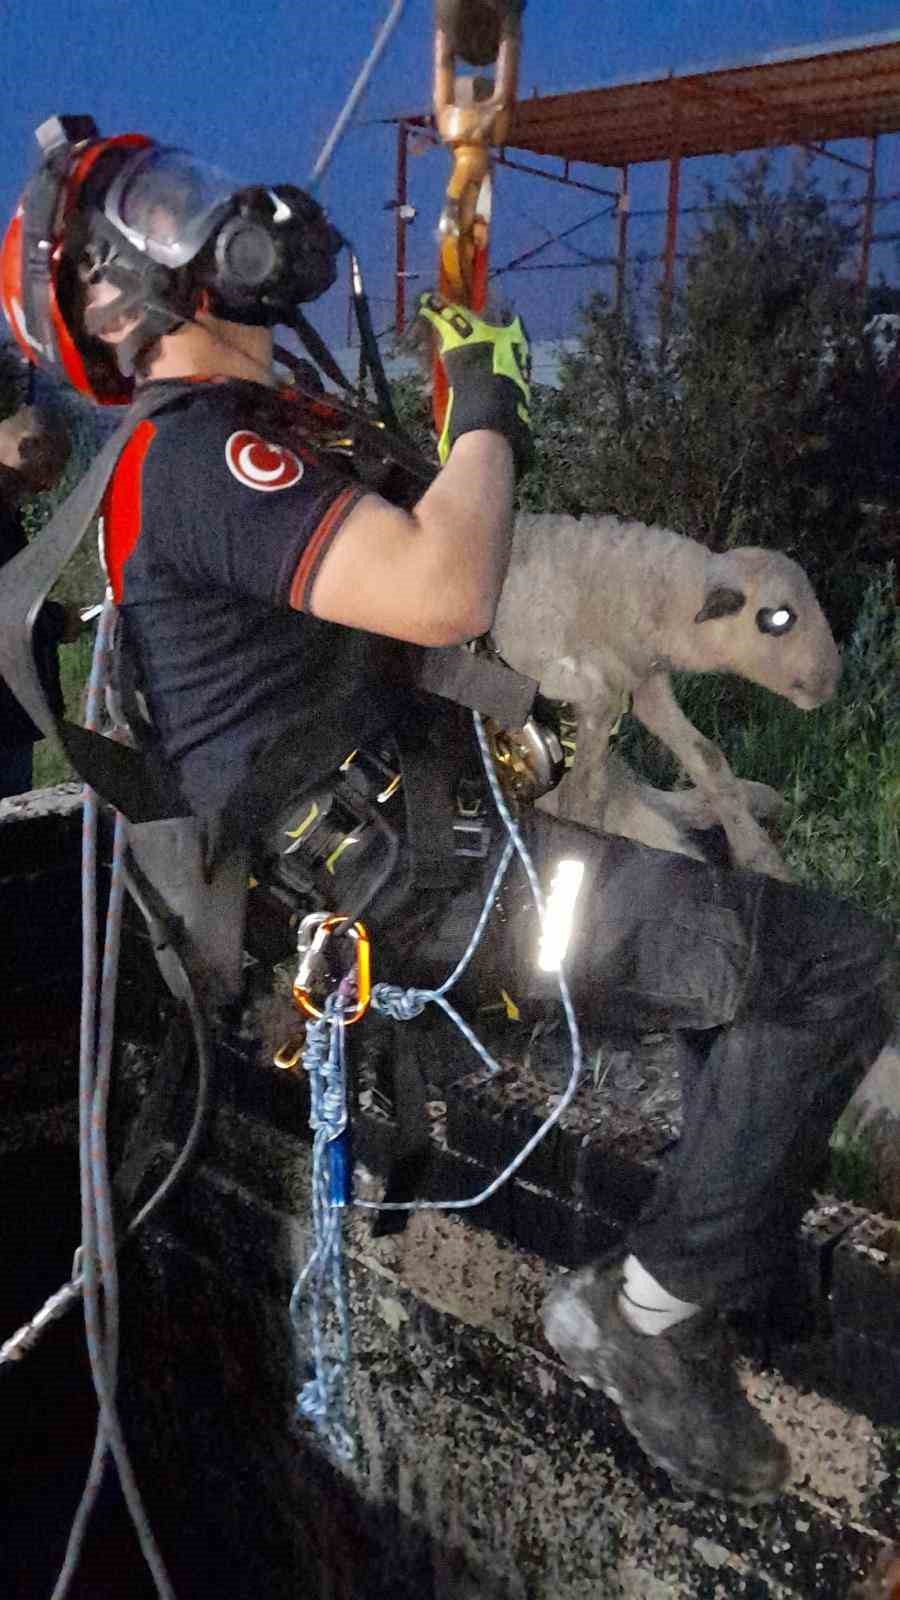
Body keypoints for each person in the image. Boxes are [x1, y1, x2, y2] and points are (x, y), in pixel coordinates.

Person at [1, 114, 894, 1506]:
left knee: (747, 949)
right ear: (123, 297)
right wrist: (488, 406)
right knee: (833, 967)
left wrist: (450, 404)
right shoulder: (199, 458)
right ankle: (650, 1313)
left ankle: (723, 1269)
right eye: (167, 208)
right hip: (435, 894)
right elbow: (442, 587)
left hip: (427, 864)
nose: (219, 207)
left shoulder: (239, 442)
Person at [0, 399, 79, 798]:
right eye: (47, 470)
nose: (46, 487)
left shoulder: (5, 501)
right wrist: (54, 621)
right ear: (26, 447)